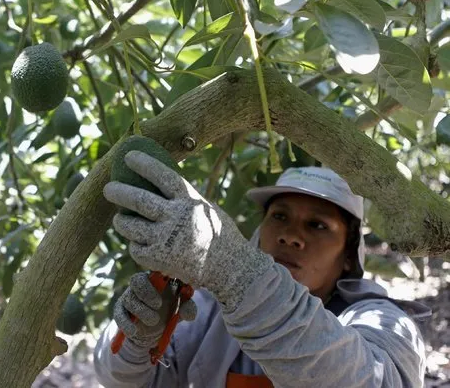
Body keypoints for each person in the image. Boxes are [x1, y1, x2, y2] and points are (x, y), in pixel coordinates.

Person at [93, 151, 431, 388]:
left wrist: (241, 276)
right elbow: (122, 381)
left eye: (318, 225)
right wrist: (139, 342)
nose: (291, 236)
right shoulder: (208, 310)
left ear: (348, 256)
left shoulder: (382, 321)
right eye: (279, 216)